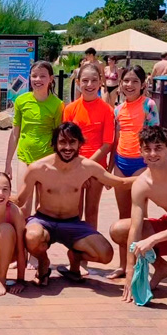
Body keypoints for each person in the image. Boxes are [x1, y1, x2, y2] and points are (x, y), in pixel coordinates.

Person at [19, 123, 135, 287]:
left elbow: (120, 182)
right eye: (62, 142)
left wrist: (152, 176)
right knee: (32, 237)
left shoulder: (87, 167)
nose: (67, 148)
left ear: (80, 143)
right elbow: (20, 200)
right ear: (54, 143)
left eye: (72, 142)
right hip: (44, 221)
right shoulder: (38, 168)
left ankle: (75, 258)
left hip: (73, 223)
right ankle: (43, 261)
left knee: (105, 254)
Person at [109, 126, 167, 304]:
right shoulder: (142, 184)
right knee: (119, 229)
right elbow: (136, 229)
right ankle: (162, 267)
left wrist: (152, 239)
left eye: (158, 148)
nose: (152, 154)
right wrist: (130, 271)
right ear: (140, 152)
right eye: (147, 149)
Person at [108, 65, 159, 279]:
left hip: (140, 164)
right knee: (123, 218)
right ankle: (123, 265)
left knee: (139, 218)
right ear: (120, 84)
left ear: (143, 85)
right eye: (126, 81)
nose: (130, 85)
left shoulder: (149, 105)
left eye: (135, 81)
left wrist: (153, 167)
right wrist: (110, 167)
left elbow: (155, 138)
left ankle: (140, 267)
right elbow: (116, 139)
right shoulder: (118, 109)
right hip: (121, 163)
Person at [4, 61, 63, 217]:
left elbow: (59, 137)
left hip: (47, 160)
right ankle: (22, 233)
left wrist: (60, 164)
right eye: (34, 76)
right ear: (29, 77)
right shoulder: (21, 101)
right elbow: (15, 133)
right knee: (23, 205)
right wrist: (8, 162)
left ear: (51, 79)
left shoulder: (57, 105)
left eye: (42, 76)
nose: (38, 79)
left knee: (43, 207)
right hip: (24, 158)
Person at [63, 63, 114, 230]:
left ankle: (91, 244)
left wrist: (86, 167)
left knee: (92, 211)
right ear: (78, 82)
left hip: (96, 168)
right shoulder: (70, 109)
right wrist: (77, 167)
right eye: (85, 80)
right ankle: (75, 246)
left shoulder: (107, 110)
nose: (89, 85)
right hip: (74, 167)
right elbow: (66, 142)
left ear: (100, 82)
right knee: (74, 211)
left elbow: (107, 144)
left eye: (94, 80)